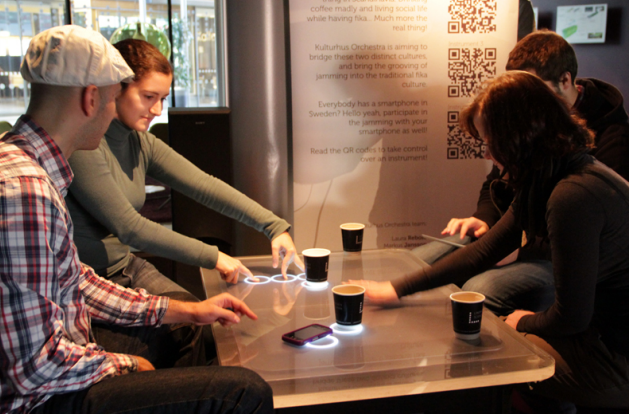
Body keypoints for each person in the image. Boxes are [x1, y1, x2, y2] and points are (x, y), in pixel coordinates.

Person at [0, 25, 272, 414]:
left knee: (190, 328)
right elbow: (36, 369)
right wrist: (123, 365)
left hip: (67, 361)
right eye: (114, 98)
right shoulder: (25, 190)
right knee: (242, 391)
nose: (114, 111)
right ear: (91, 98)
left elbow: (77, 281)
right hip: (44, 401)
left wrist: (186, 310)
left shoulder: (29, 168)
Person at [352, 71, 629, 411]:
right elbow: (485, 249)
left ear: (518, 137)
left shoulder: (571, 196)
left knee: (499, 347)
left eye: (489, 142)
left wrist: (523, 321)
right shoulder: (552, 175)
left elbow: (571, 317)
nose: (486, 154)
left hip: (614, 358)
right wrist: (396, 288)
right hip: (601, 337)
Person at [413, 29, 629, 316]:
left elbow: (581, 239)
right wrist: (484, 220)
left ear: (565, 80)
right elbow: (497, 184)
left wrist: (522, 250)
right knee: (419, 262)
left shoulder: (606, 152)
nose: (521, 102)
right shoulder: (528, 132)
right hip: (524, 241)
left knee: (478, 291)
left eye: (531, 90)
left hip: (566, 261)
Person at [66, 38, 303, 299]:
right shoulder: (84, 143)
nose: (157, 110)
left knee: (201, 322)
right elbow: (131, 228)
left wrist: (273, 226)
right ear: (115, 89)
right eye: (148, 97)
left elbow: (204, 185)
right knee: (194, 321)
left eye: (163, 99)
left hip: (123, 266)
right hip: (84, 280)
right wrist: (213, 256)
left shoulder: (140, 142)